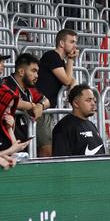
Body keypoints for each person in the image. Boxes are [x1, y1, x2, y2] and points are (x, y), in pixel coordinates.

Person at [35, 29, 78, 157]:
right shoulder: (51, 56)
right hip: (41, 107)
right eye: (71, 42)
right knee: (46, 149)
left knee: (49, 147)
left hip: (48, 109)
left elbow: (71, 80)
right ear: (61, 43)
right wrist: (71, 60)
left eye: (75, 42)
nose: (75, 46)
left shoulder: (59, 61)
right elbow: (66, 80)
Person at [0, 53, 49, 150]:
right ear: (21, 71)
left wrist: (40, 105)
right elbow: (9, 100)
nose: (37, 75)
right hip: (6, 144)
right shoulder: (6, 84)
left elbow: (47, 100)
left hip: (25, 141)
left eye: (37, 72)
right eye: (33, 71)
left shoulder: (30, 89)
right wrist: (31, 106)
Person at [52, 84, 105, 157]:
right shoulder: (63, 127)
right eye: (88, 100)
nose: (93, 104)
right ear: (76, 103)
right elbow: (61, 162)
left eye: (94, 100)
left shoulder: (91, 125)